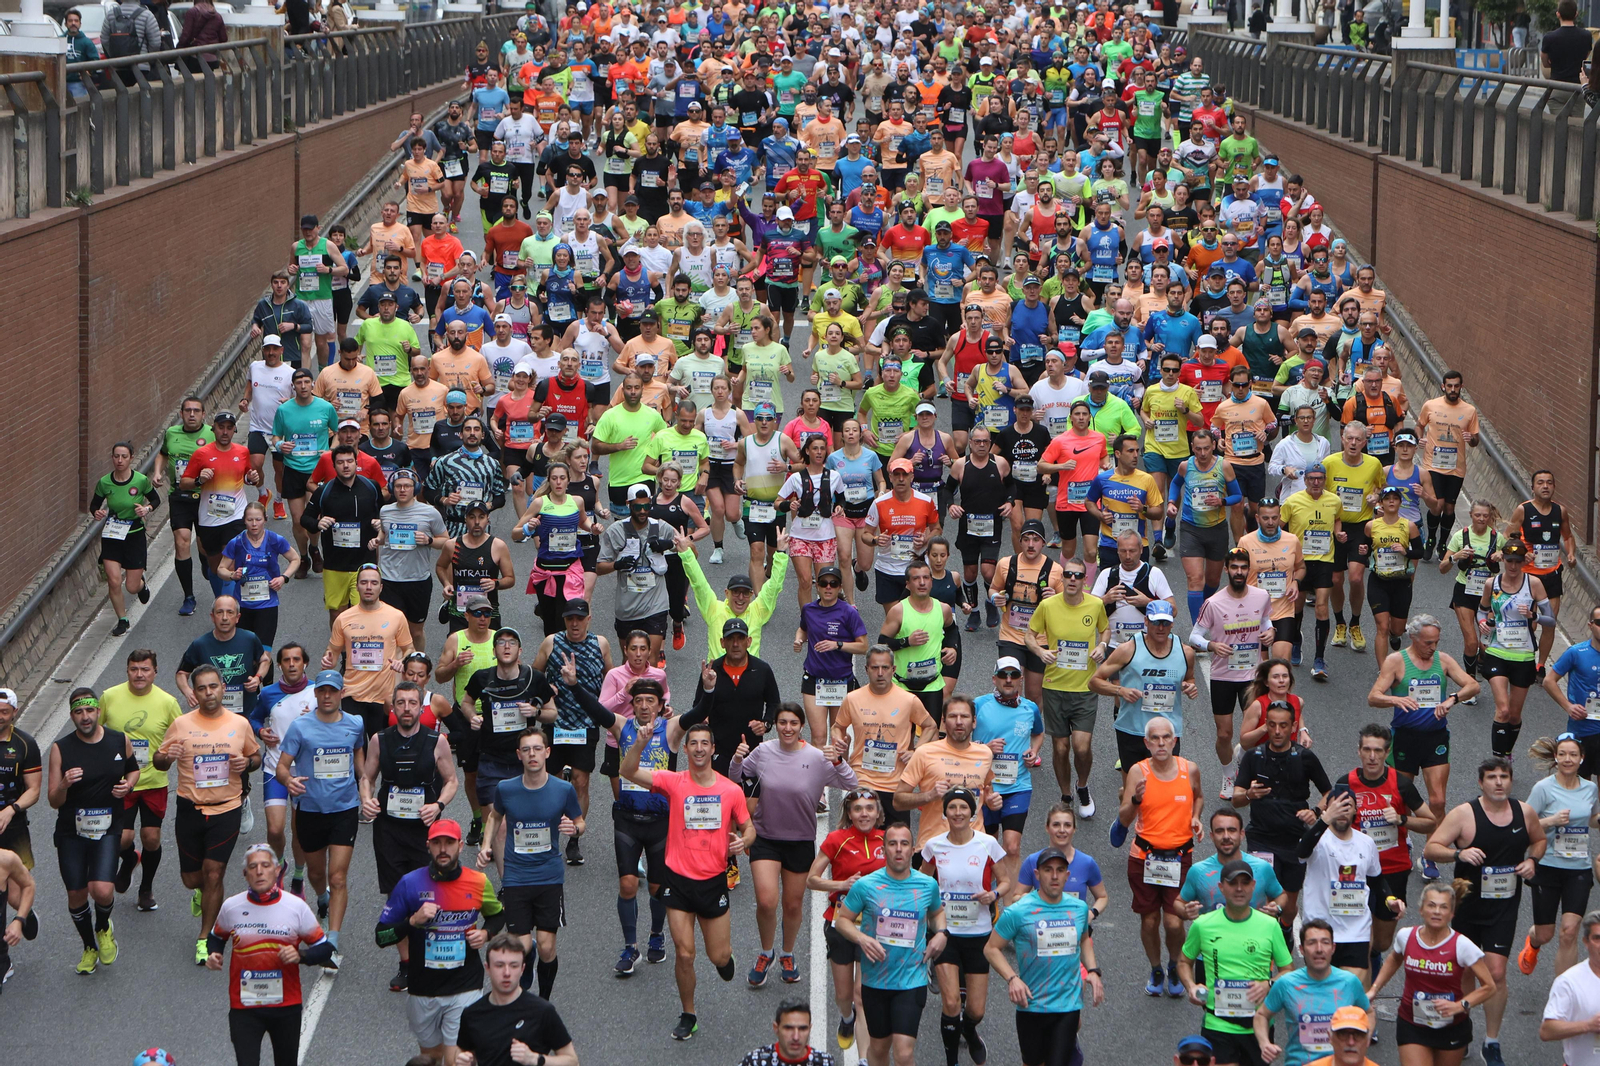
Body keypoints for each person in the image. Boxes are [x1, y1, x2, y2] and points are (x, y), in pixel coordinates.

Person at [621, 717, 754, 1042]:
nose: (697, 748)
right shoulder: (673, 781)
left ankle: (726, 957)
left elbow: (748, 828)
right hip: (677, 880)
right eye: (692, 743)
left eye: (703, 743)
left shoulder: (730, 789)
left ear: (712, 749)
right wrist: (639, 743)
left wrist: (743, 841)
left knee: (717, 956)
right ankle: (688, 1013)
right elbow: (627, 771)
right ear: (686, 747)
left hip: (712, 883)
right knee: (684, 953)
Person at [1423, 757, 1547, 1066]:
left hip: (1503, 907)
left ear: (1510, 780)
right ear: (1481, 783)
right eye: (1492, 777)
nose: (1499, 782)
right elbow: (1431, 848)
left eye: (1504, 776)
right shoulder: (1465, 814)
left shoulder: (1524, 812)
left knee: (1495, 973)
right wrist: (1458, 853)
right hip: (1466, 905)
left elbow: (1540, 840)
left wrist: (1533, 861)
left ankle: (1491, 1041)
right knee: (1464, 971)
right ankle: (1462, 1030)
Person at [732, 703, 857, 986]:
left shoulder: (816, 757)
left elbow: (851, 783)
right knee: (766, 901)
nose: (787, 728)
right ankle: (766, 952)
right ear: (775, 725)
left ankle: (787, 953)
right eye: (782, 722)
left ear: (801, 726)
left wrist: (838, 760)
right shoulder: (763, 752)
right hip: (765, 836)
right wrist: (738, 760)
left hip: (800, 840)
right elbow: (735, 779)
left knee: (792, 904)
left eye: (793, 723)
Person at [155, 662, 264, 966]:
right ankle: (201, 893)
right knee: (193, 879)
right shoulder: (181, 724)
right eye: (201, 688)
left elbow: (255, 756)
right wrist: (167, 756)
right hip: (190, 807)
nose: (208, 693)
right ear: (195, 693)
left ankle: (206, 937)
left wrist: (248, 764)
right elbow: (159, 761)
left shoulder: (239, 724)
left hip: (226, 808)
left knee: (214, 872)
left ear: (223, 688)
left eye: (213, 686)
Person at [375, 819, 507, 1066]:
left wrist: (486, 934)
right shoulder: (410, 883)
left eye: (449, 843)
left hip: (466, 985)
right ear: (428, 846)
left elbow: (498, 914)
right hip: (423, 988)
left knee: (458, 1060)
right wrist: (412, 921)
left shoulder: (478, 882)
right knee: (432, 1058)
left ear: (459, 845)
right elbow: (381, 936)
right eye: (437, 843)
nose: (443, 849)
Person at [358, 679, 457, 993]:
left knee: (430, 892)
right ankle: (406, 964)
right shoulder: (380, 740)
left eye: (412, 703)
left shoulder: (435, 740)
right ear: (393, 706)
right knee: (398, 895)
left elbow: (452, 780)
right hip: (389, 829)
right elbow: (367, 776)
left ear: (420, 706)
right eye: (400, 703)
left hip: (425, 831)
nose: (406, 709)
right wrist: (367, 799)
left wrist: (438, 804)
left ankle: (432, 956)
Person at [475, 725, 582, 1001]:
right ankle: (522, 999)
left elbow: (580, 821)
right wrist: (486, 847)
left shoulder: (563, 789)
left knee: (547, 948)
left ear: (547, 752)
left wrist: (576, 828)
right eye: (526, 750)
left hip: (548, 876)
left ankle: (543, 1001)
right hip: (516, 877)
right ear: (518, 755)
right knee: (521, 948)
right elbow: (494, 817)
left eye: (537, 749)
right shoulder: (506, 789)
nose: (532, 754)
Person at [205, 844, 336, 1066]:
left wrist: (300, 955)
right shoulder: (232, 907)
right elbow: (217, 936)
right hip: (244, 1007)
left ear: (277, 871)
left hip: (286, 1007)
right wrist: (214, 954)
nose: (259, 872)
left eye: (265, 866)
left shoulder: (295, 907)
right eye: (253, 867)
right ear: (245, 874)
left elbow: (325, 948)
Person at [833, 821, 946, 1066]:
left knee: (904, 1053)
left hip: (911, 979)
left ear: (912, 848)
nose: (898, 849)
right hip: (876, 980)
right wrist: (861, 938)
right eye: (892, 844)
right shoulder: (866, 886)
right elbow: (842, 921)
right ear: (884, 850)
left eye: (904, 844)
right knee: (879, 1048)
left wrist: (942, 933)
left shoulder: (927, 885)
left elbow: (937, 913)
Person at [984, 844, 1104, 1066]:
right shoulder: (1019, 911)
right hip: (1032, 1004)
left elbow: (1084, 939)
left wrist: (1094, 971)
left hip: (1068, 1004)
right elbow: (991, 948)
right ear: (1037, 875)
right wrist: (1012, 978)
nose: (1055, 876)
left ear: (1068, 875)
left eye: (1060, 870)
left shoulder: (1079, 909)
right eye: (1048, 870)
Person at [1366, 615, 1478, 853]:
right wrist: (1395, 699)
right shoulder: (1396, 661)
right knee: (1402, 800)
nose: (1433, 647)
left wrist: (1452, 700)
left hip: (1435, 738)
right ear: (1413, 637)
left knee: (1438, 800)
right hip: (1404, 738)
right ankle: (1402, 842)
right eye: (1428, 643)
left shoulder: (1443, 660)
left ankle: (1431, 851)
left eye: (1436, 641)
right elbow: (1373, 697)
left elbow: (1473, 685)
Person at [48, 688, 139, 976]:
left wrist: (129, 785)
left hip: (108, 827)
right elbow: (53, 800)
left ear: (98, 711)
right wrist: (63, 785)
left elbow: (133, 769)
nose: (85, 717)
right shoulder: (61, 748)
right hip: (71, 832)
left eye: (89, 710)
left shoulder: (118, 739)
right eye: (78, 712)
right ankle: (89, 947)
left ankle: (103, 927)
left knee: (101, 889)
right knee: (76, 894)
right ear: (72, 715)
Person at [275, 670, 365, 956]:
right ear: (316, 693)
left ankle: (332, 940)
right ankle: (321, 895)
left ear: (341, 693)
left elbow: (360, 764)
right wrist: (287, 780)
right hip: (310, 809)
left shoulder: (355, 724)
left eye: (333, 691)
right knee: (317, 872)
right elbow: (282, 766)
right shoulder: (300, 727)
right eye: (322, 691)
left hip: (345, 809)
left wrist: (366, 792)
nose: (327, 696)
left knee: (338, 876)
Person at [1344, 722, 1442, 976]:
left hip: (1393, 870)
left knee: (1382, 941)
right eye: (1367, 750)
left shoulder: (1401, 784)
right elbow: (1325, 814)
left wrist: (1402, 820)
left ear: (1387, 753)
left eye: (1378, 750)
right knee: (1360, 938)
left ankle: (1371, 959)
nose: (1372, 756)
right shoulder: (1347, 783)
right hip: (1357, 871)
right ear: (1359, 751)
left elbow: (1430, 821)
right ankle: (1363, 993)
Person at [1233, 700, 1333, 948]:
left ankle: (1286, 928)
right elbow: (1236, 799)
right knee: (1264, 901)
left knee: (1288, 904)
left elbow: (1330, 793)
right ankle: (1262, 950)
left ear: (1293, 726)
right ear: (1266, 725)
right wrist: (1249, 795)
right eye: (1273, 725)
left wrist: (1316, 811)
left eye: (1283, 726)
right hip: (1261, 838)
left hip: (1294, 840)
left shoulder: (1305, 757)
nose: (1277, 731)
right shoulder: (1254, 758)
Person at [1176, 857, 1294, 1066]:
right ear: (1221, 887)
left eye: (1245, 883)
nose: (1239, 889)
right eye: (1232, 883)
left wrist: (1268, 984)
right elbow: (1184, 961)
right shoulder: (1203, 925)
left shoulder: (1269, 925)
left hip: (1259, 1025)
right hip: (1218, 1024)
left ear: (1253, 886)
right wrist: (1191, 986)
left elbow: (1288, 970)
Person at [922, 786, 1009, 1066]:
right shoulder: (933, 846)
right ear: (945, 812)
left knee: (976, 1009)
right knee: (950, 1003)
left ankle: (970, 1031)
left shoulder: (987, 844)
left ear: (972, 813)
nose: (958, 812)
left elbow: (1005, 881)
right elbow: (923, 883)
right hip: (945, 933)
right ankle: (951, 1062)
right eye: (952, 807)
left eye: (963, 807)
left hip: (979, 934)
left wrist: (993, 895)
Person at [1369, 880, 1496, 1066]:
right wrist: (1374, 989)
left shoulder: (1462, 945)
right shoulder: (1406, 936)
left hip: (1451, 1026)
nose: (1437, 911)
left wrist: (1460, 1005)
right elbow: (1394, 959)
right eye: (1431, 905)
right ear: (1421, 910)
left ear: (1451, 913)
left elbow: (1490, 987)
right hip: (1411, 1023)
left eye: (1443, 907)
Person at [101, 649, 183, 913]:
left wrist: (174, 756)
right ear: (127, 670)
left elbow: (180, 736)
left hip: (153, 781)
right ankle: (129, 859)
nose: (139, 674)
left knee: (151, 838)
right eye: (134, 669)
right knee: (123, 839)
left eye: (145, 669)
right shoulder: (110, 697)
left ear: (155, 672)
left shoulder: (167, 702)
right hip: (120, 782)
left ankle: (146, 888)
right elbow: (94, 732)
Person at [1296, 784, 1404, 983]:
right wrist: (1324, 820)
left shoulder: (1366, 843)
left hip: (1356, 932)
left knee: (1352, 996)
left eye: (1348, 806)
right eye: (1337, 806)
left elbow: (1376, 879)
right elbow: (1301, 851)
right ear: (1327, 809)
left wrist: (1390, 899)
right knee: (1326, 996)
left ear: (1355, 810)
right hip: (1320, 930)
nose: (1342, 811)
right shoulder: (1318, 839)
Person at [808, 787, 888, 1051]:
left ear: (878, 813)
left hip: (875, 928)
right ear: (849, 814)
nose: (864, 814)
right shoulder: (836, 839)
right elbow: (812, 880)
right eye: (858, 809)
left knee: (861, 995)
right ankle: (846, 1018)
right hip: (840, 923)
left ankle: (864, 1059)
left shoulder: (889, 840)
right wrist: (843, 884)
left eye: (869, 809)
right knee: (843, 996)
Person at [1517, 733, 1598, 977]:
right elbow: (1524, 825)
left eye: (1573, 754)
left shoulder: (1590, 788)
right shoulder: (1543, 788)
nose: (1568, 759)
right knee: (1546, 933)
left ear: (1582, 758)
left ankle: (1566, 994)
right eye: (1562, 754)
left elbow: (1592, 819)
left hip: (1579, 867)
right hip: (1548, 866)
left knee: (1570, 931)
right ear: (1556, 757)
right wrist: (1551, 820)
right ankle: (1533, 944)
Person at [1191, 548, 1276, 780]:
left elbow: (1266, 620)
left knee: (1256, 731)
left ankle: (1244, 761)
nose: (1239, 572)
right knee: (1224, 734)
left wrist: (1271, 632)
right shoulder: (1214, 603)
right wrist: (1211, 646)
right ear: (1227, 569)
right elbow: (1194, 636)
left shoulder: (1261, 596)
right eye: (1235, 567)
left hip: (1252, 676)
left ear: (1249, 569)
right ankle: (1228, 775)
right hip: (1223, 676)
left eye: (1244, 567)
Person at [1254, 920, 1372, 1066]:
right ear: (1302, 949)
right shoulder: (1287, 984)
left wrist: (1363, 1041)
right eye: (1312, 943)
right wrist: (1265, 1043)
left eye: (1325, 942)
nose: (1319, 949)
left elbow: (1369, 1012)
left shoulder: (1349, 982)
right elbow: (1261, 1015)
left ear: (1333, 948)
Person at [92, 442, 160, 636]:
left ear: (131, 458)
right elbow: (94, 506)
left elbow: (155, 499)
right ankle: (122, 619)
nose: (119, 460)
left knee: (131, 586)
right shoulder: (105, 482)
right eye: (116, 456)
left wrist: (146, 509)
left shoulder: (139, 480)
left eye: (124, 456)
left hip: (134, 535)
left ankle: (141, 584)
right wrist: (97, 513)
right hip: (112, 535)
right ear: (112, 458)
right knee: (113, 581)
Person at [1179, 808, 1287, 919]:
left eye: (1232, 830)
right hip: (1214, 935)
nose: (1226, 836)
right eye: (1219, 831)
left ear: (1241, 834)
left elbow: (1281, 895)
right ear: (1212, 836)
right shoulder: (1198, 871)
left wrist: (1277, 908)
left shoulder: (1262, 868)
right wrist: (1184, 911)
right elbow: (1179, 902)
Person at [1538, 909, 1600, 1066]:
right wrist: (1588, 1025)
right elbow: (1547, 1030)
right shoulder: (1569, 981)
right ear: (1586, 942)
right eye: (1597, 938)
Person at [738, 1001, 836, 1066]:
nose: (796, 1037)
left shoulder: (825, 1063)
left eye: (802, 1029)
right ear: (776, 1028)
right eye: (788, 1028)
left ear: (810, 1029)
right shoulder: (754, 1062)